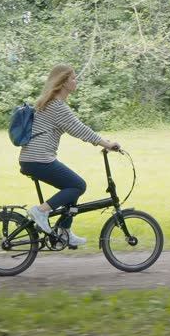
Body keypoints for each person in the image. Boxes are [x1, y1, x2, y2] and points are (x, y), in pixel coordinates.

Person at [19, 65, 120, 246]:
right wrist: (108, 144)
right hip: (38, 159)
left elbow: (78, 129)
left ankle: (64, 232)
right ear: (63, 82)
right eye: (73, 78)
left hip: (34, 158)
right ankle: (40, 211)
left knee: (71, 188)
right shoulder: (56, 106)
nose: (76, 81)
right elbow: (80, 130)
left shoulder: (51, 103)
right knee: (77, 185)